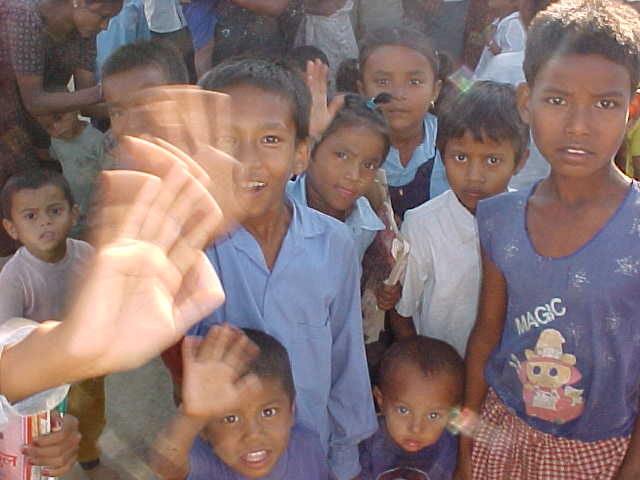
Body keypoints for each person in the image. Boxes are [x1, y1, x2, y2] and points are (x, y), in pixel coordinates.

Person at [460, 1, 640, 478]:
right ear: (526, 102)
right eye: (557, 100)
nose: (578, 125)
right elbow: (486, 337)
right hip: (504, 435)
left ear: (633, 108)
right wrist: (465, 451)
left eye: (605, 103)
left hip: (603, 452)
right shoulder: (500, 217)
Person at [189, 57, 377, 480]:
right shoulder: (194, 251)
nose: (247, 161)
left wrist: (344, 460)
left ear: (300, 154)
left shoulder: (334, 244)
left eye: (270, 139)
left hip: (311, 454)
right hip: (223, 458)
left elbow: (346, 357)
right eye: (226, 140)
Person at [390, 82, 528, 352]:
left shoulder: (530, 223)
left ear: (520, 161)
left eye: (492, 161)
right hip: (441, 374)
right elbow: (402, 311)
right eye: (461, 157)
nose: (475, 176)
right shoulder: (422, 224)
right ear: (442, 156)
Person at [0, 168, 107, 471]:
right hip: (43, 380)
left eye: (55, 211)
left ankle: (88, 452)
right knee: (48, 431)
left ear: (74, 213)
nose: (45, 221)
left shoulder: (85, 253)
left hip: (87, 365)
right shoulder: (12, 278)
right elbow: (7, 344)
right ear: (11, 227)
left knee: (90, 414)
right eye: (30, 216)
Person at [0, 0, 122, 261]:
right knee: (20, 208)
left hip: (41, 129)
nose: (105, 26)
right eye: (103, 16)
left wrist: (128, 105)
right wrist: (106, 90)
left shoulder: (83, 33)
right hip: (8, 124)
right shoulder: (24, 17)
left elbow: (86, 103)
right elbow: (35, 100)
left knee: (45, 209)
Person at [151, 326, 329, 479]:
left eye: (268, 412)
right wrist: (190, 417)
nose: (253, 434)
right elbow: (165, 466)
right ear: (204, 430)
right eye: (230, 419)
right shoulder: (206, 465)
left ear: (292, 410)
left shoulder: (307, 445)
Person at [357, 24, 449, 222]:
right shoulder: (347, 147)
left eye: (414, 82)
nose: (398, 94)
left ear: (435, 89)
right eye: (382, 82)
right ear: (362, 90)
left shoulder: (452, 143)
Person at [286, 94, 389, 262]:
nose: (354, 176)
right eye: (342, 155)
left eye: (369, 165)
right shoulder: (276, 205)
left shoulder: (365, 225)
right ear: (308, 150)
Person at [359, 335, 463, 480]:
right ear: (381, 401)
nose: (416, 428)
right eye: (403, 410)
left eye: (433, 415)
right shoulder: (367, 440)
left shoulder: (453, 449)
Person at [35, 89, 110, 238]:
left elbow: (110, 171)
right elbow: (54, 155)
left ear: (75, 110)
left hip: (97, 201)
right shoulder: (56, 140)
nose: (56, 129)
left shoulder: (95, 140)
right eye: (48, 127)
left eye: (59, 118)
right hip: (74, 200)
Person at [100, 40, 190, 164]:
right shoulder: (122, 173)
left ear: (185, 102)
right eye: (118, 113)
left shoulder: (215, 172)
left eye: (146, 104)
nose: (132, 124)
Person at [473, 0, 526, 79]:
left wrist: (490, 41)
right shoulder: (497, 22)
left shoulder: (514, 24)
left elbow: (512, 62)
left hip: (498, 85)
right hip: (483, 82)